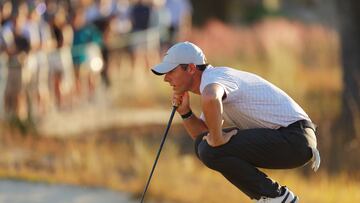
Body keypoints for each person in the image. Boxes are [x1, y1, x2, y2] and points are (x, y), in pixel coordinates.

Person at [151, 41, 320, 203]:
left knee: (210, 147)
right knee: (204, 146)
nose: (166, 78)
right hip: (292, 140)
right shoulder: (213, 80)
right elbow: (202, 136)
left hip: (295, 137)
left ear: (191, 68)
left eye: (171, 71)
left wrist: (218, 139)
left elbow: (211, 97)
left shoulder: (214, 79)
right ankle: (272, 197)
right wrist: (186, 112)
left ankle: (276, 198)